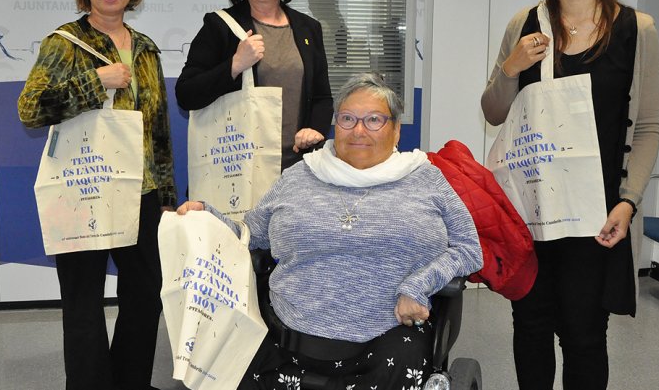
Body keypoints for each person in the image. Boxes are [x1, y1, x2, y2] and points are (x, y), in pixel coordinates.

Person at [178, 73, 483, 390]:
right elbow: (249, 235)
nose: (359, 130)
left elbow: (468, 249)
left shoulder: (426, 179)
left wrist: (419, 285)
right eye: (348, 119)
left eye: (374, 120)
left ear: (395, 131)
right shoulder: (301, 175)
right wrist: (206, 215)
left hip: (388, 332)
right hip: (287, 330)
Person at [481, 0, 659, 390]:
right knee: (532, 326)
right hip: (532, 210)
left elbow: (647, 127)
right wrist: (511, 67)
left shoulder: (635, 30)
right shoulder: (524, 24)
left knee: (584, 335)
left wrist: (629, 202)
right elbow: (493, 112)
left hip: (596, 213)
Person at [18, 0, 176, 390]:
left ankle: (130, 382)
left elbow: (158, 129)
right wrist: (95, 81)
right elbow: (30, 109)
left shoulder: (145, 47)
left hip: (141, 193)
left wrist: (167, 199)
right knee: (84, 303)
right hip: (83, 190)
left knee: (145, 297)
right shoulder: (64, 42)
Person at [176, 0, 333, 171]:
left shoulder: (309, 28)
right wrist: (235, 65)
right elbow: (186, 95)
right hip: (239, 169)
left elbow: (322, 97)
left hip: (297, 170)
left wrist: (316, 129)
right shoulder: (219, 26)